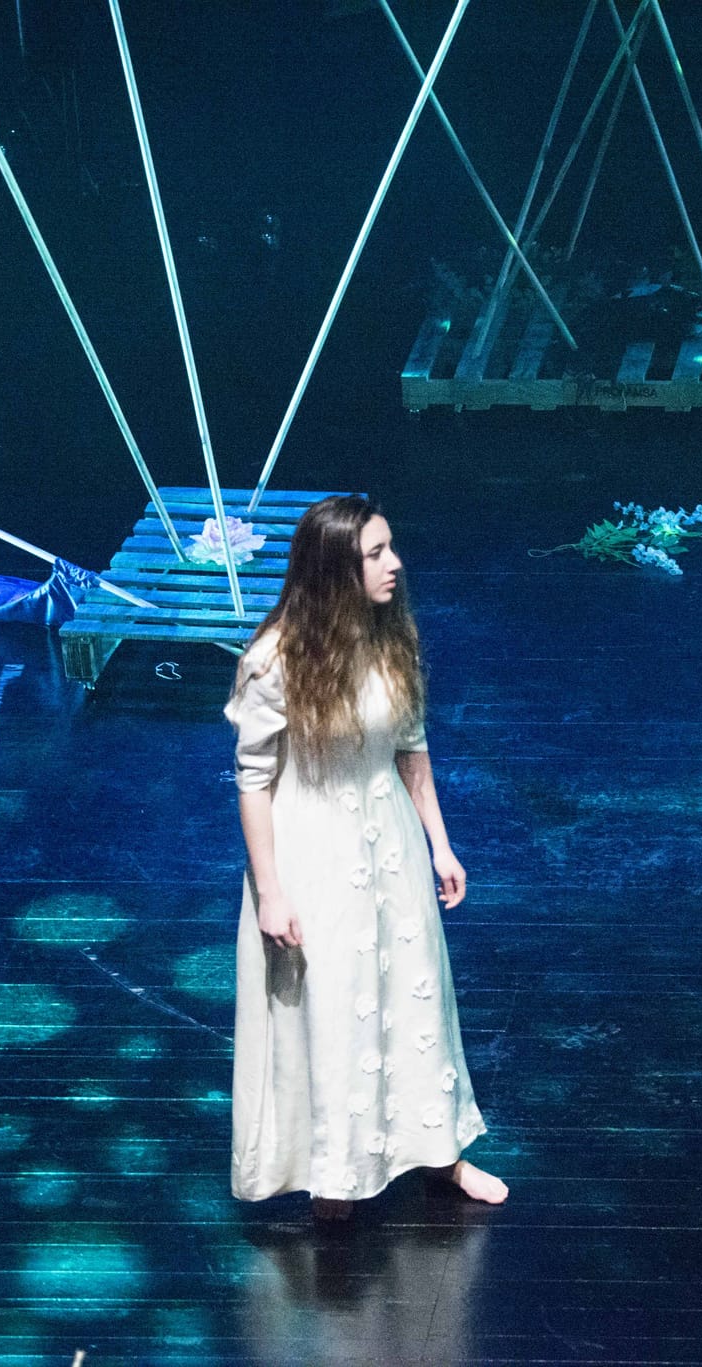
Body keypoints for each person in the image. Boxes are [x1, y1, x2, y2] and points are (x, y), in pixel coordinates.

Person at [226, 494, 506, 1219]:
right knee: (334, 1009)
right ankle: (336, 1174)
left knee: (414, 996)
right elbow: (254, 781)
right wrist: (271, 891)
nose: (394, 564)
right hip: (314, 851)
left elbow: (412, 749)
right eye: (375, 553)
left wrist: (441, 844)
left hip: (391, 845)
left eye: (390, 547)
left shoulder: (390, 640)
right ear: (333, 569)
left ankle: (440, 1152)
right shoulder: (275, 659)